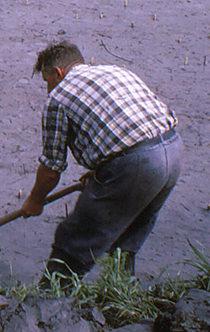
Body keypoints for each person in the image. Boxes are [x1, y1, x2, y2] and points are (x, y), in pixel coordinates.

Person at [21, 41, 181, 281]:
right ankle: (121, 298)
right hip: (172, 152)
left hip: (137, 165)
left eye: (47, 82)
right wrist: (106, 170)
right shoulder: (117, 71)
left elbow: (51, 169)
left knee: (73, 239)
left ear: (58, 73)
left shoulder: (59, 98)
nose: (48, 90)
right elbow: (125, 125)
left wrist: (35, 200)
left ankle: (47, 301)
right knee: (125, 236)